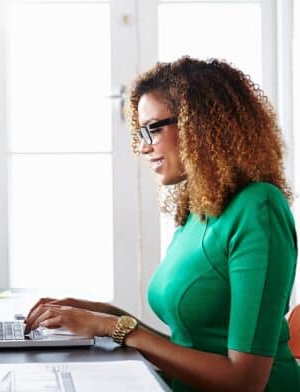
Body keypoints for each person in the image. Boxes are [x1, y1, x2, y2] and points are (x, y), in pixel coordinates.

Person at [24, 57, 300, 391]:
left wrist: (116, 328)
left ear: (200, 124)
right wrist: (102, 315)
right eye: (140, 132)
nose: (143, 146)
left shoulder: (258, 208)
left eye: (154, 128)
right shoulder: (199, 209)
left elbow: (244, 381)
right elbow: (188, 347)